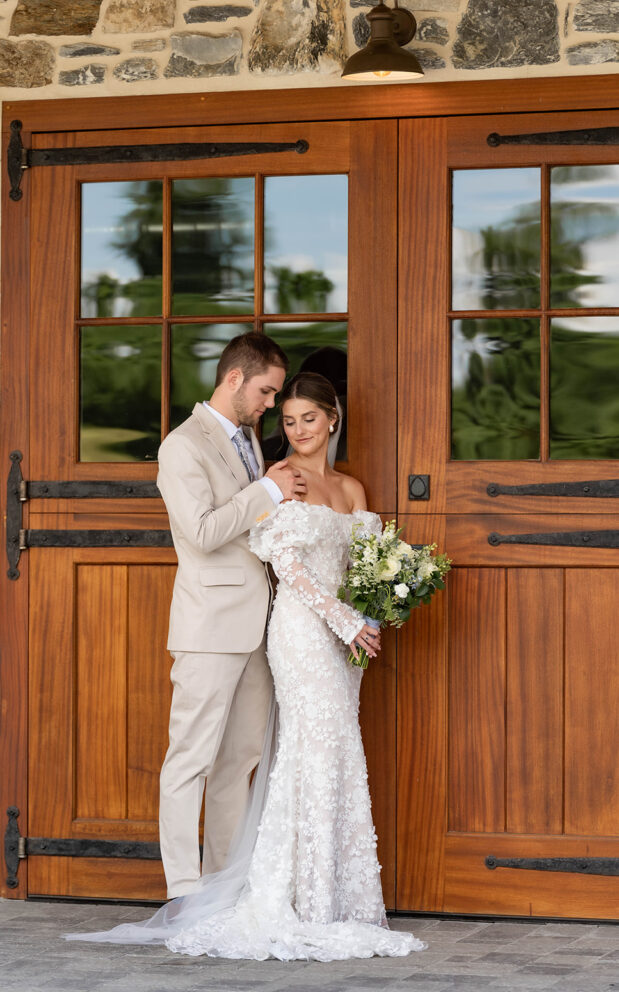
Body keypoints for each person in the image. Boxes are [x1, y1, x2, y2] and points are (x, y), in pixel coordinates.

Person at [66, 371, 424, 962]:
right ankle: (215, 893)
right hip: (300, 630)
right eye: (285, 417)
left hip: (341, 641)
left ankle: (326, 893)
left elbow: (367, 560)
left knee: (307, 753)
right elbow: (283, 560)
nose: (292, 427)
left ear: (333, 418)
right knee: (265, 751)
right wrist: (340, 618)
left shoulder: (349, 486)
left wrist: (374, 611)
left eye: (306, 417)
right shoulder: (276, 477)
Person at [154, 332, 305, 897]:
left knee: (238, 758)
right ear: (235, 379)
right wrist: (266, 488)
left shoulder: (247, 438)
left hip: (260, 624)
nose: (272, 405)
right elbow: (203, 532)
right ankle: (183, 890)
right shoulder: (182, 446)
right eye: (267, 392)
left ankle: (221, 883)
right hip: (210, 626)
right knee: (189, 759)